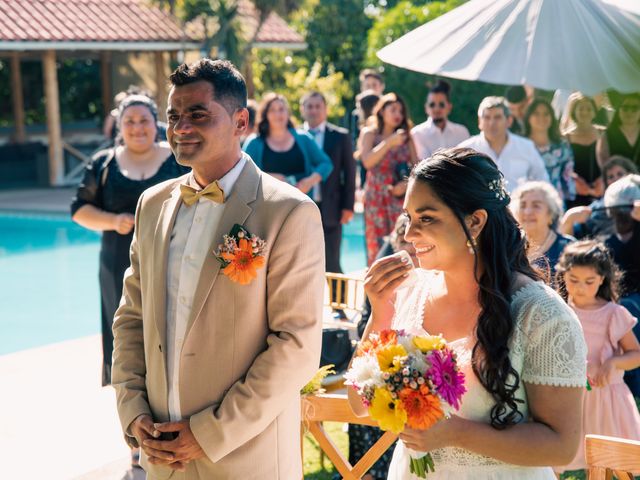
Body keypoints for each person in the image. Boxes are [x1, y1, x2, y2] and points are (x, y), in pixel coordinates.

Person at [111, 59, 325, 479]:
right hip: (160, 458)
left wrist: (209, 433)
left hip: (246, 458)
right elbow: (130, 319)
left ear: (240, 121)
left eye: (197, 114)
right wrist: (133, 412)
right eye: (173, 116)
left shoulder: (288, 212)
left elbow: (296, 345)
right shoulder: (151, 205)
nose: (180, 127)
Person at [351, 147, 587, 479]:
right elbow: (359, 404)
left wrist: (454, 433)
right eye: (409, 218)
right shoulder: (408, 292)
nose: (408, 234)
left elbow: (561, 445)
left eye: (427, 218)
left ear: (475, 221)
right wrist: (379, 314)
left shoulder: (541, 314)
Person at [71, 94, 189, 388]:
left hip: (171, 258)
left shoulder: (179, 160)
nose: (137, 128)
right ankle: (128, 393)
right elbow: (79, 210)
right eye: (129, 122)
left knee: (169, 328)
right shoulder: (105, 163)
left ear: (156, 123)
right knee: (124, 331)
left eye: (143, 121)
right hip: (117, 262)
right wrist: (113, 221)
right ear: (119, 126)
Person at [554, 240, 640, 473]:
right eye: (573, 280)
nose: (580, 287)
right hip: (571, 398)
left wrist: (614, 362)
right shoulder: (559, 311)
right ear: (563, 276)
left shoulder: (613, 314)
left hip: (607, 400)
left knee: (612, 462)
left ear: (602, 279)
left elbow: (636, 354)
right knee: (557, 457)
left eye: (589, 281)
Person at [300, 91, 356, 275]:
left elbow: (349, 174)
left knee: (332, 262)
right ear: (302, 110)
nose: (314, 110)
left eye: (318, 106)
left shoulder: (340, 136)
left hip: (330, 208)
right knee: (303, 263)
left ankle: (339, 305)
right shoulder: (294, 137)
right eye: (309, 106)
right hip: (300, 207)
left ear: (325, 110)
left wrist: (348, 206)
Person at [360, 92, 418, 265]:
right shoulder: (369, 134)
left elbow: (418, 169)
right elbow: (367, 162)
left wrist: (406, 184)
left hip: (398, 198)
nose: (397, 114)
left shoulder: (406, 138)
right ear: (382, 111)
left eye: (401, 111)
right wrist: (389, 143)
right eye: (393, 109)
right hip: (375, 198)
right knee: (375, 245)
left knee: (401, 241)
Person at [243, 93, 333, 195]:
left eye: (281, 109)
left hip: (301, 204)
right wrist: (270, 177)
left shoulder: (303, 138)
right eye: (272, 110)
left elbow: (326, 163)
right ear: (265, 114)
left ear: (288, 113)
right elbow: (243, 173)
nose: (278, 114)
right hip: (267, 207)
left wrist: (309, 182)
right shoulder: (254, 143)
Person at [458, 96, 549, 192]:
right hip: (478, 206)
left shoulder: (526, 147)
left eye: (497, 117)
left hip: (517, 205)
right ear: (479, 122)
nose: (492, 123)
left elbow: (543, 181)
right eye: (487, 117)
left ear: (509, 121)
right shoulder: (465, 150)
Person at [558, 156, 638, 239]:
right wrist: (569, 219)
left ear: (630, 175)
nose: (616, 179)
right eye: (610, 177)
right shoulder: (596, 208)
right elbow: (568, 240)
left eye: (620, 174)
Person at [510, 181, 575, 281]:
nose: (527, 212)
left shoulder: (568, 248)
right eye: (522, 205)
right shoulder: (509, 246)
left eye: (536, 206)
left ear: (551, 213)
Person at [524, 98, 576, 203]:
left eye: (546, 114)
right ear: (528, 117)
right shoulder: (519, 145)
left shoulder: (562, 146)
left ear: (552, 117)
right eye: (536, 113)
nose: (541, 117)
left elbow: (567, 175)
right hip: (526, 202)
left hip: (556, 201)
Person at [410, 80, 470, 160]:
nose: (436, 109)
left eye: (441, 104)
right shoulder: (416, 134)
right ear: (426, 108)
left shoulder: (462, 132)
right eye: (432, 105)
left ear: (449, 107)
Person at [564, 93, 604, 207]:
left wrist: (603, 179)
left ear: (594, 111)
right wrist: (573, 179)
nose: (585, 112)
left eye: (588, 109)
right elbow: (563, 165)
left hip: (600, 188)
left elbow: (610, 160)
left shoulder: (603, 133)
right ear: (574, 111)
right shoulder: (565, 137)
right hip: (575, 190)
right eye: (581, 108)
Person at [597, 93, 640, 168]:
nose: (629, 112)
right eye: (625, 107)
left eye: (635, 108)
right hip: (618, 179)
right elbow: (604, 164)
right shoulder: (608, 134)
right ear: (618, 110)